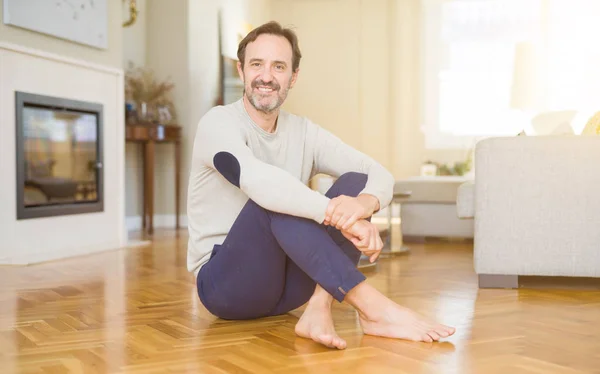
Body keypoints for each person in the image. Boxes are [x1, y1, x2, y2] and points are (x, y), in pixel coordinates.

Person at [187, 21, 455, 350]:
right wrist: (334, 213)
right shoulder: (217, 123)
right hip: (226, 285)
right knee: (272, 199)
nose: (266, 76)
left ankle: (318, 307)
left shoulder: (303, 132)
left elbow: (376, 172)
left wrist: (365, 204)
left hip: (286, 291)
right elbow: (259, 182)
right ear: (242, 70)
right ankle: (373, 308)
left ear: (293, 77)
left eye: (279, 66)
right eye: (257, 64)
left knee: (355, 184)